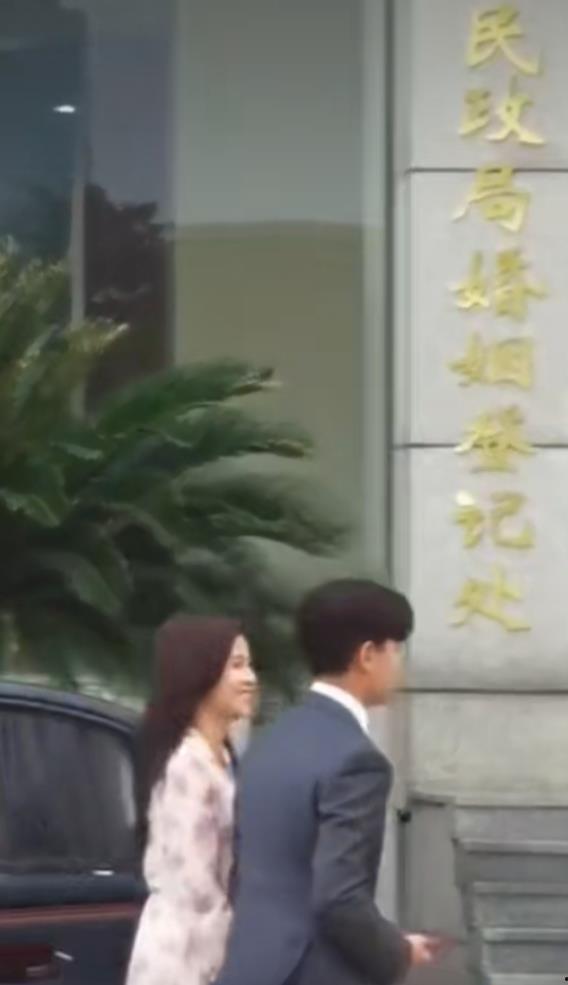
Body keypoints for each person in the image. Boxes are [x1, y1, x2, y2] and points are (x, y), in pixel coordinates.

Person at [216, 579, 437, 985]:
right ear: (367, 655)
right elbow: (339, 898)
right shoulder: (357, 761)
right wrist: (397, 951)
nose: (399, 664)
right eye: (395, 649)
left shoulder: (270, 740)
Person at [126, 614, 257, 985]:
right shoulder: (186, 764)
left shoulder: (223, 757)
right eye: (237, 665)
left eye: (249, 665)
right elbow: (196, 887)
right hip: (183, 956)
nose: (250, 678)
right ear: (199, 672)